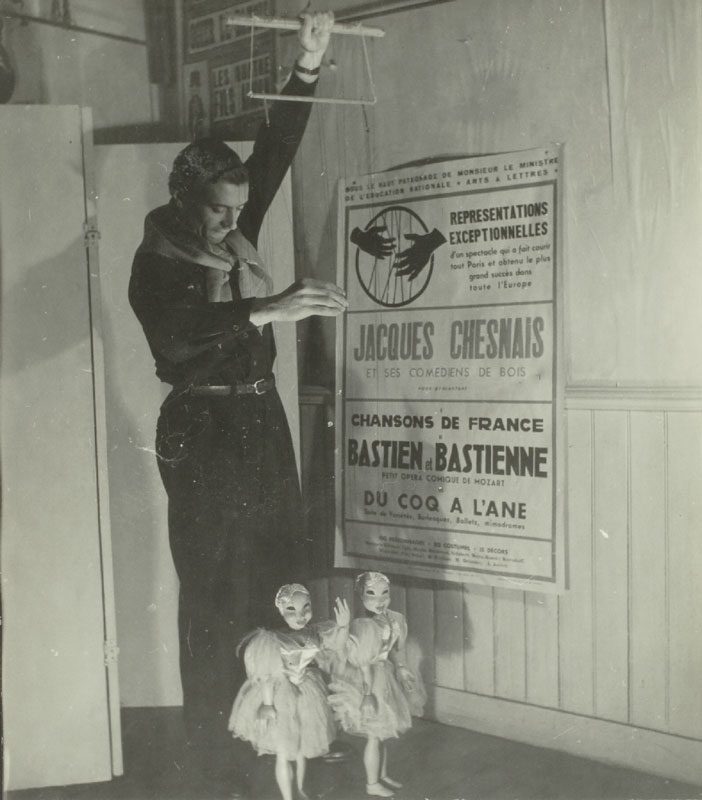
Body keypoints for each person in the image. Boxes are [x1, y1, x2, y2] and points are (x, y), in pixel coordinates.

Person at [128, 10, 346, 797]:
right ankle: (212, 755)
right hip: (203, 427)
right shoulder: (155, 263)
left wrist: (307, 65)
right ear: (184, 197)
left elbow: (274, 151)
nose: (231, 223)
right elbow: (181, 336)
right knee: (214, 594)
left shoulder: (228, 229)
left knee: (280, 578)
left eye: (237, 209)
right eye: (219, 210)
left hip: (259, 417)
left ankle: (281, 731)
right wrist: (265, 309)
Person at [229, 585, 350, 800]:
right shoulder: (272, 638)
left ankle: (301, 791)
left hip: (306, 691)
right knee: (284, 752)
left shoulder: (314, 632)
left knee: (301, 747)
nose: (300, 616)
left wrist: (343, 626)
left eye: (306, 608)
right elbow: (267, 673)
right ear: (280, 610)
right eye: (292, 610)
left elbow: (337, 646)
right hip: (280, 695)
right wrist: (268, 704)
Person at [328, 571, 426, 798]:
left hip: (385, 675)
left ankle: (381, 775)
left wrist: (401, 668)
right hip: (369, 682)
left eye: (384, 593)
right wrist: (367, 694)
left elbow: (394, 650)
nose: (379, 600)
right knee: (374, 734)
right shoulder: (363, 626)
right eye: (371, 594)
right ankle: (372, 783)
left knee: (383, 731)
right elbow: (362, 663)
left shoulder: (394, 619)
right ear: (362, 597)